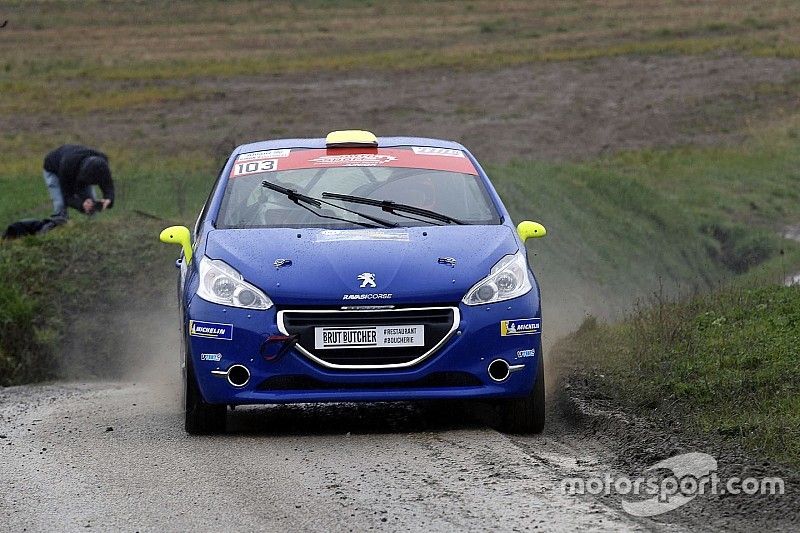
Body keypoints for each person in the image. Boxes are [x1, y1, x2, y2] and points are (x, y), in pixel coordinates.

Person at [42, 144, 115, 221]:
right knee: (60, 203)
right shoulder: (67, 165)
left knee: (91, 202)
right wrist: (81, 205)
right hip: (54, 170)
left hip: (74, 164)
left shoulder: (102, 164)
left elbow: (108, 186)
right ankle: (59, 223)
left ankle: (93, 225)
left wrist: (108, 199)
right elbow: (67, 196)